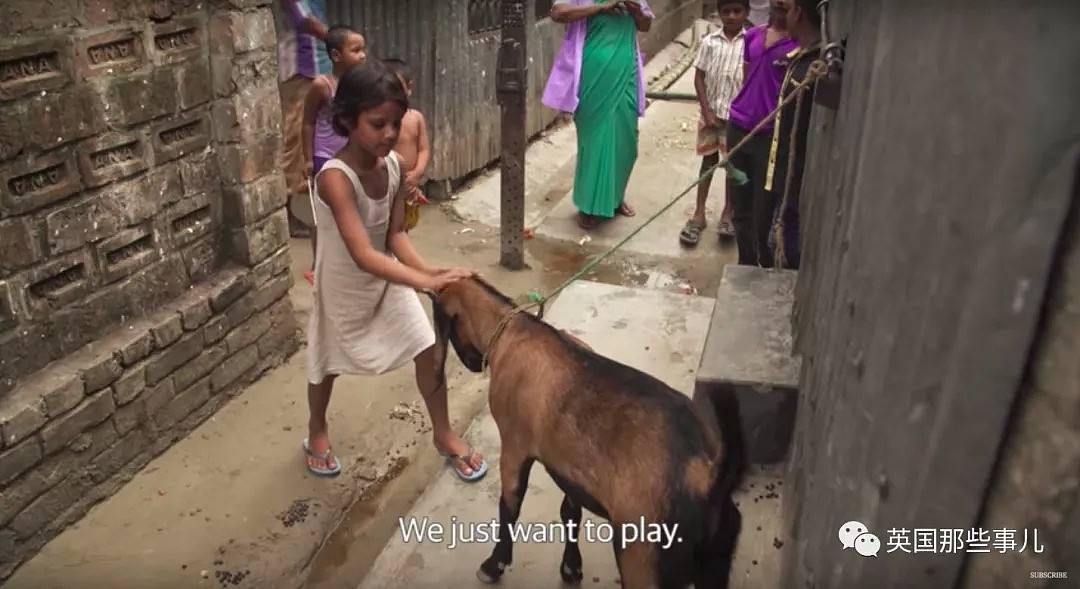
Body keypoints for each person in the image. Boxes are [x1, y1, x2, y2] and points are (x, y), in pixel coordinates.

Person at [303, 61, 488, 483]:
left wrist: (433, 271)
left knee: (428, 346)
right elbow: (363, 253)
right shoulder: (335, 178)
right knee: (326, 362)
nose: (390, 133)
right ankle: (317, 427)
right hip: (344, 285)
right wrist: (424, 282)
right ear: (348, 121)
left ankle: (443, 434)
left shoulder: (392, 167)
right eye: (377, 123)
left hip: (386, 280)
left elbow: (396, 235)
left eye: (396, 123)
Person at [545, 0, 654, 230]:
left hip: (627, 71)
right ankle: (588, 205)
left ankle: (614, 198)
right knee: (594, 139)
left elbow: (646, 25)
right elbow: (557, 12)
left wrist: (636, 11)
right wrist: (601, 7)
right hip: (594, 69)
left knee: (626, 140)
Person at [725, 0, 798, 267]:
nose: (780, 2)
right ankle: (745, 263)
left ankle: (761, 264)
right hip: (738, 130)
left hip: (769, 138)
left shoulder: (798, 47)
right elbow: (748, 78)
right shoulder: (753, 35)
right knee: (740, 206)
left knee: (763, 209)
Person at [299, 25, 367, 285]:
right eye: (356, 50)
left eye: (363, 50)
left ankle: (351, 258)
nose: (363, 55)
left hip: (353, 155)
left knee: (355, 207)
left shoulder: (361, 85)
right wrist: (307, 157)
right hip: (325, 156)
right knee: (323, 214)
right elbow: (308, 122)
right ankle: (318, 265)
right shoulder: (322, 85)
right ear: (337, 56)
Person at [679, 0, 748, 247]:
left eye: (737, 11)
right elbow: (699, 78)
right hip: (711, 117)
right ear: (719, 13)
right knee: (708, 163)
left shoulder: (749, 43)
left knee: (731, 165)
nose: (731, 16)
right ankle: (699, 213)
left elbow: (749, 81)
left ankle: (728, 212)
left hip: (736, 120)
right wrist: (707, 113)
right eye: (726, 11)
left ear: (746, 13)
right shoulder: (710, 42)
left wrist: (741, 114)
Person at [764, 0, 822, 269]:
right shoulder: (802, 59)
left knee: (787, 249)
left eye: (788, 9)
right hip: (787, 179)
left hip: (798, 184)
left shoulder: (813, 66)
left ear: (798, 12)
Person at [275, 0, 328, 239]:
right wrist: (338, 39)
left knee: (310, 137)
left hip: (316, 65)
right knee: (294, 141)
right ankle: (284, 212)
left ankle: (297, 208)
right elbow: (305, 21)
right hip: (301, 68)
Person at [383, 58, 431, 232]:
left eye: (397, 87)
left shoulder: (416, 118)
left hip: (409, 182)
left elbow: (424, 149)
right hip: (386, 181)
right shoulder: (380, 121)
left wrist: (417, 173)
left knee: (403, 225)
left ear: (409, 88)